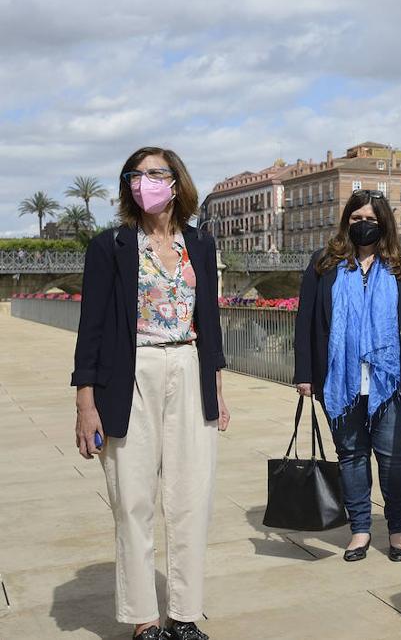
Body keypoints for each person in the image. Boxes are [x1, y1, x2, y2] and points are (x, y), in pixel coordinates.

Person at [71, 147, 228, 640]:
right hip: (129, 373)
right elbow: (90, 327)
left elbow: (211, 322)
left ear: (176, 182)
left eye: (156, 173)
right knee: (133, 500)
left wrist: (217, 387)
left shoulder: (199, 244)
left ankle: (184, 615)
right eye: (135, 175)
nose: (145, 182)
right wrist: (85, 403)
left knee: (190, 498)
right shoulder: (109, 246)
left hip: (190, 365)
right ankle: (144, 620)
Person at [293, 190, 401, 563]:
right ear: (346, 222)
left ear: (383, 221)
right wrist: (304, 373)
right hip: (340, 380)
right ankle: (359, 529)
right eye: (356, 219)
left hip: (390, 381)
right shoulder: (324, 263)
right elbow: (305, 320)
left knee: (394, 458)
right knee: (351, 456)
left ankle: (398, 529)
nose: (363, 224)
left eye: (370, 218)